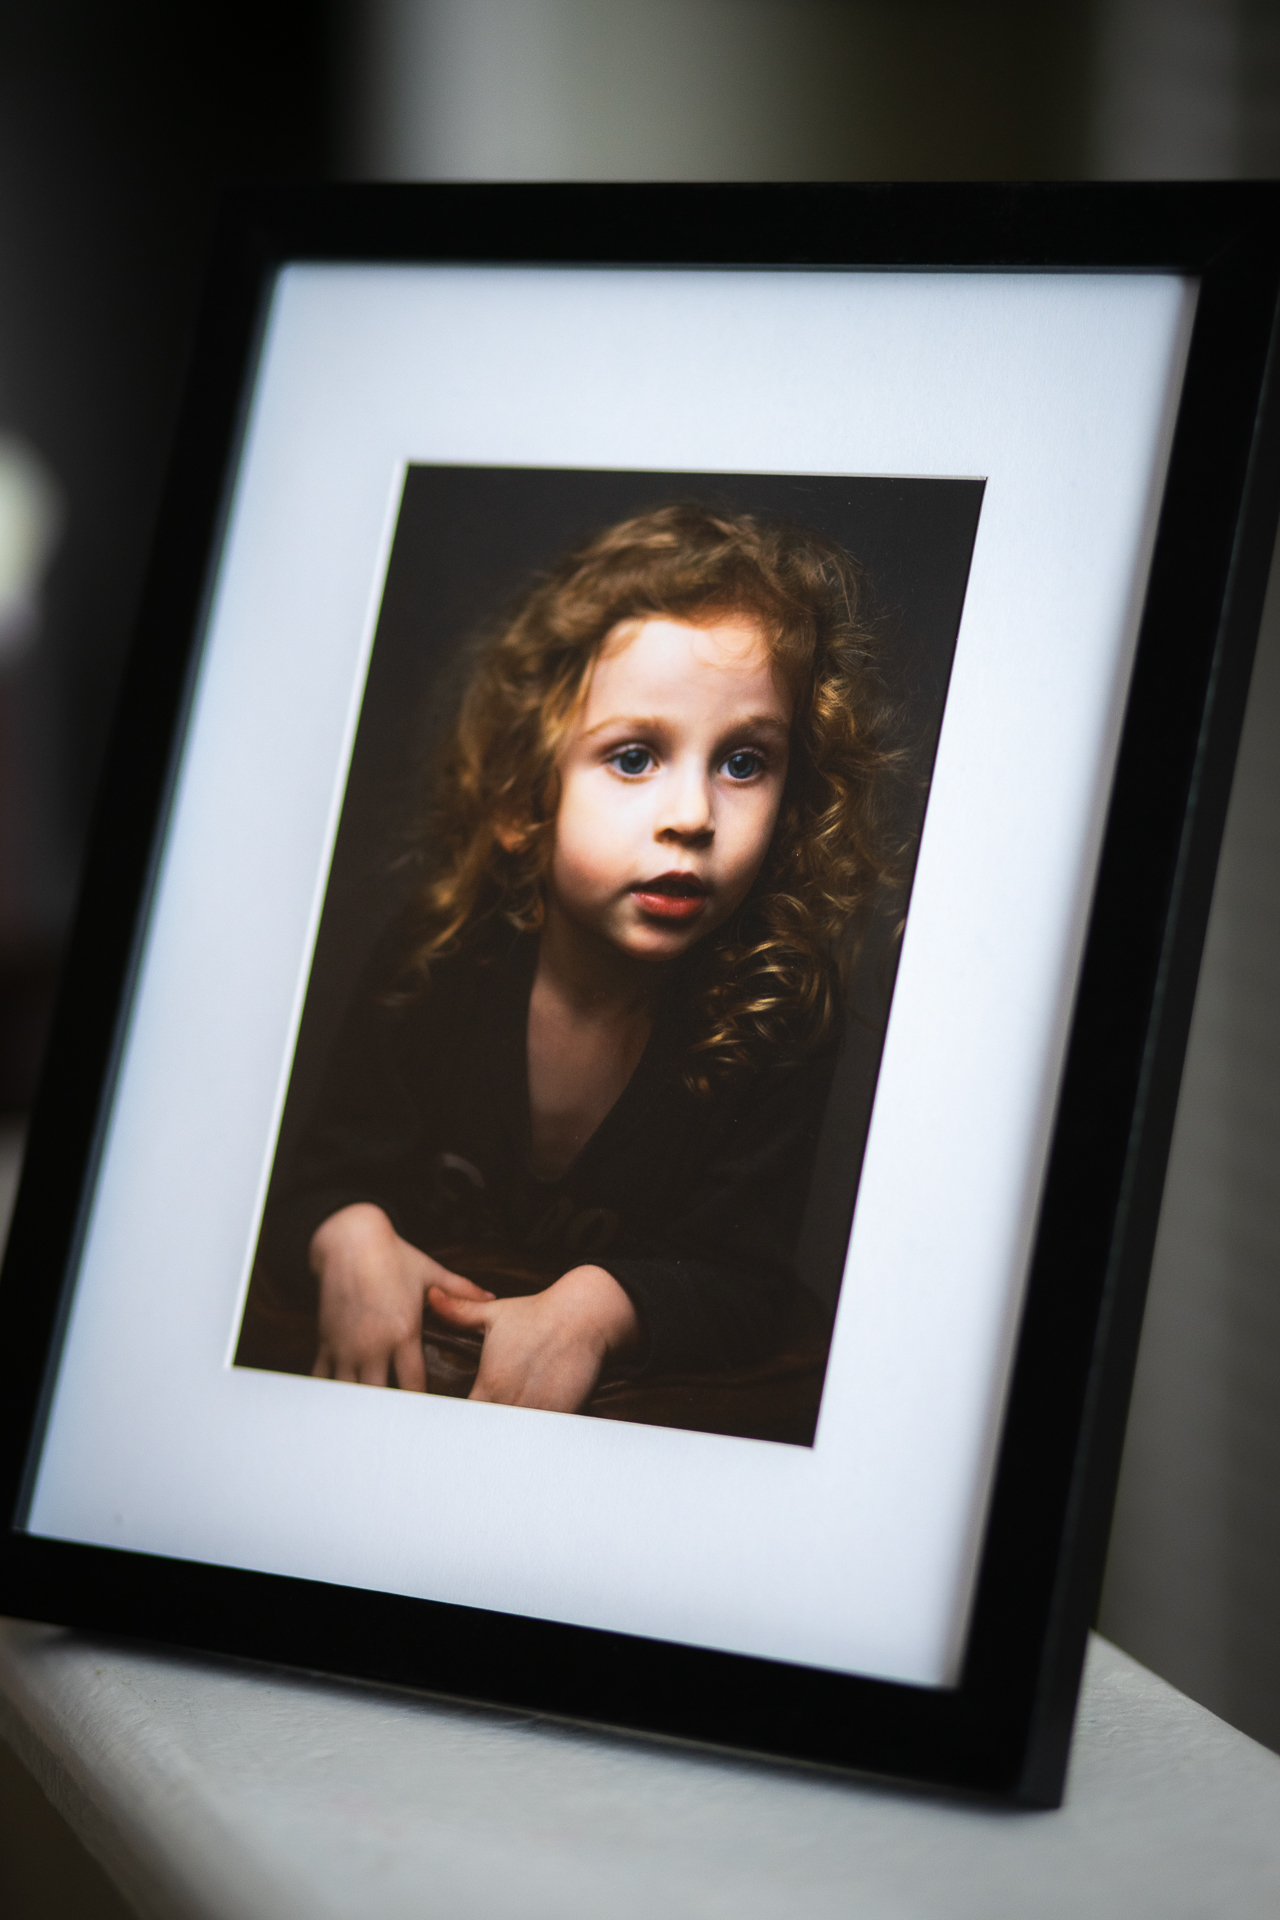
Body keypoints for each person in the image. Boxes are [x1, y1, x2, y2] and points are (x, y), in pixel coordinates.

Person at [257, 501, 902, 1418]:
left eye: (745, 763)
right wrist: (346, 1235)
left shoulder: (780, 1009)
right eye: (635, 757)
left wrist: (598, 1311)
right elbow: (302, 1187)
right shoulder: (444, 954)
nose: (694, 814)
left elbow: (746, 1287)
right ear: (528, 795)